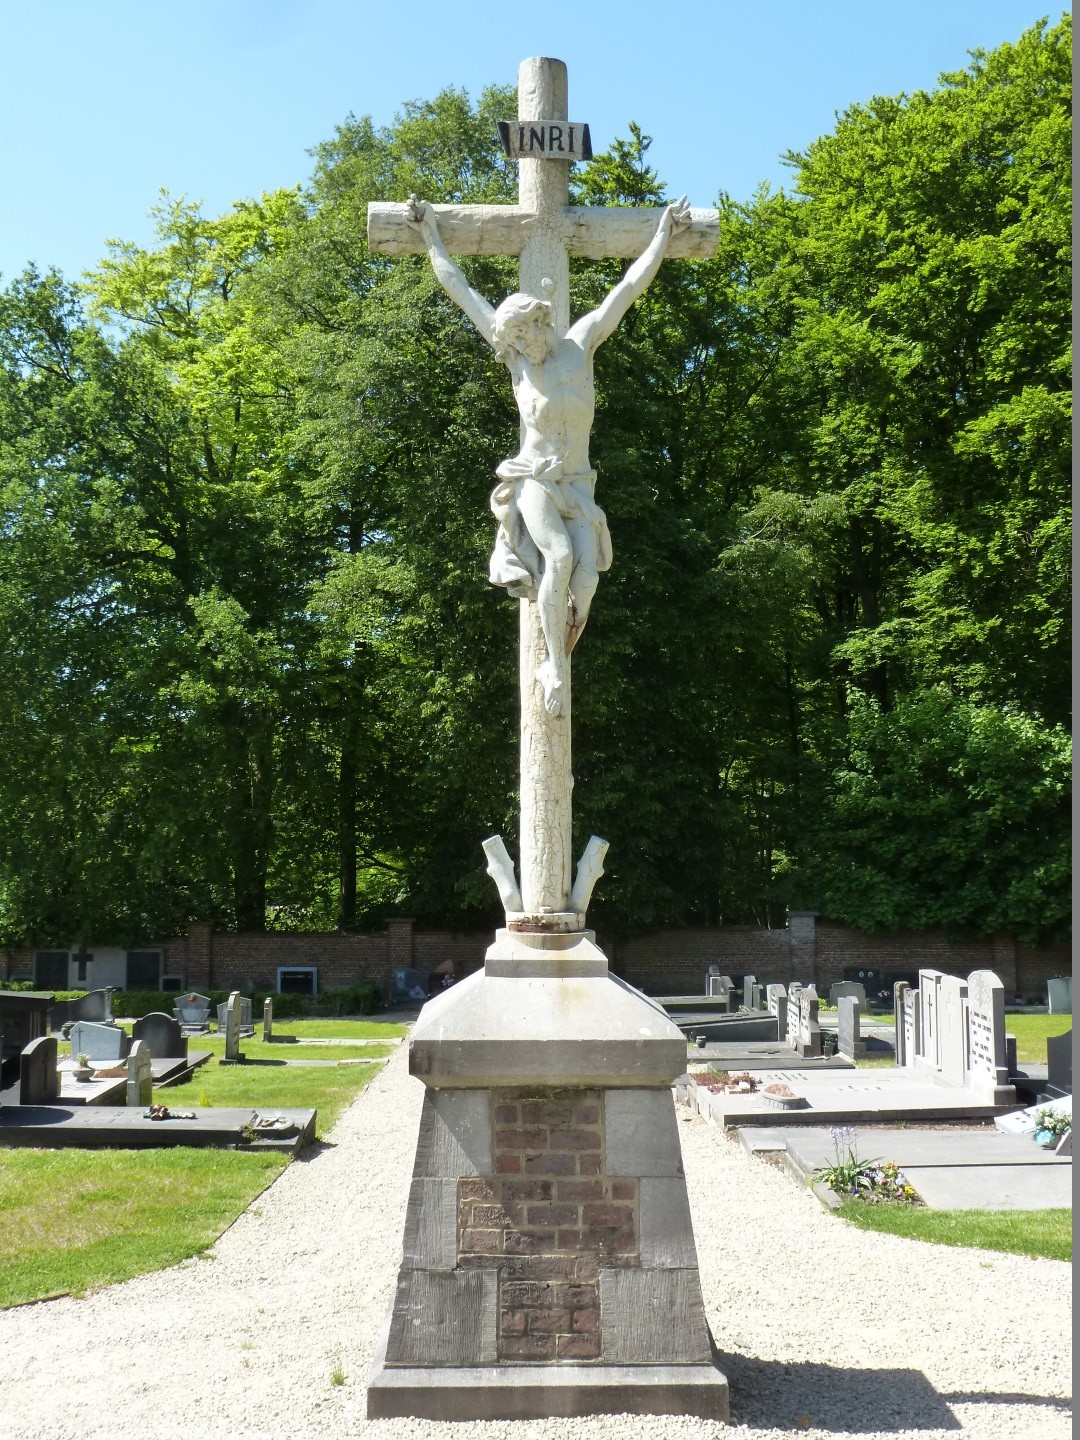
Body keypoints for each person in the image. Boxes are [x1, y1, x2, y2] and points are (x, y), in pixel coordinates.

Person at [406, 193, 692, 716]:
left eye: (523, 335)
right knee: (558, 557)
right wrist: (431, 236)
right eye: (512, 340)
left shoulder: (581, 344)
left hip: (578, 484)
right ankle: (553, 666)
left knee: (587, 580)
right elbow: (462, 290)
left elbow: (627, 288)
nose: (520, 346)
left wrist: (662, 234)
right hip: (535, 479)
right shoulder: (519, 364)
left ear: (540, 322)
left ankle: (559, 649)